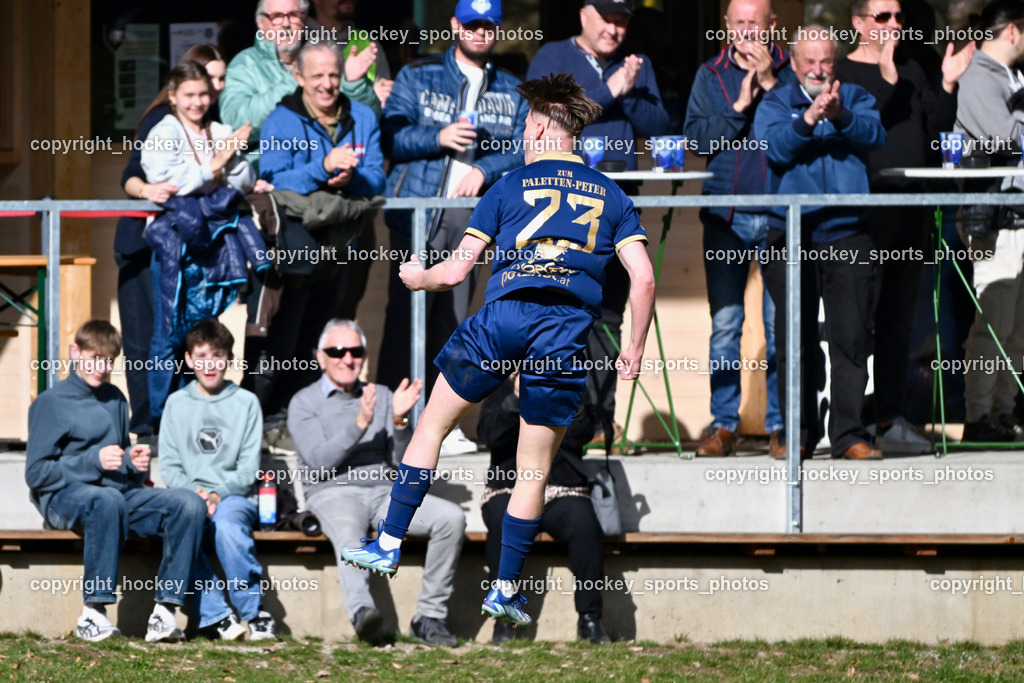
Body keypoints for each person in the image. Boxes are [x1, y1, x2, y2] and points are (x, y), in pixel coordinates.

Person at [340, 73, 656, 629]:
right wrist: (632, 348)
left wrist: (417, 277)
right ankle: (505, 588)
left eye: (526, 126)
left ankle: (388, 543)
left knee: (431, 427)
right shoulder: (612, 194)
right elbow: (645, 280)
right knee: (533, 469)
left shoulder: (507, 186)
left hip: (503, 318)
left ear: (537, 128)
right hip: (563, 330)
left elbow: (457, 270)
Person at [376, 0, 528, 455]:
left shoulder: (513, 88)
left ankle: (443, 426)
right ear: (456, 25)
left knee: (457, 322)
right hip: (415, 215)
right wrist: (438, 137)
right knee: (404, 320)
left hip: (473, 221)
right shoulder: (418, 75)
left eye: (491, 25)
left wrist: (485, 169)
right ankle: (391, 421)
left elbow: (525, 149)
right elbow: (393, 138)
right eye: (474, 24)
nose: (482, 32)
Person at [527, 0, 669, 442]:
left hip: (619, 207)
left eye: (623, 20)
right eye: (608, 18)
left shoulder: (635, 65)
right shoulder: (553, 57)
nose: (615, 28)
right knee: (561, 313)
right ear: (583, 13)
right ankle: (562, 418)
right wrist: (611, 89)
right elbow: (551, 120)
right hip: (563, 211)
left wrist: (627, 87)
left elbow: (660, 121)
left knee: (609, 313)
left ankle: (601, 421)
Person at [836, 0, 973, 454]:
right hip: (863, 215)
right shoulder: (843, 74)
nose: (894, 25)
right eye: (883, 17)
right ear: (859, 23)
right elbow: (855, 130)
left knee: (898, 321)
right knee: (857, 325)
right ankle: (849, 430)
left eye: (898, 17)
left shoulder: (912, 69)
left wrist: (948, 82)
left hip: (909, 212)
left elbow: (935, 129)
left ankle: (890, 419)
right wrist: (888, 80)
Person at [25, 320, 207, 643]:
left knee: (188, 503)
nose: (102, 368)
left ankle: (165, 613)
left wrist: (133, 463)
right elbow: (36, 474)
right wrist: (92, 461)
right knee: (105, 500)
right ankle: (93, 613)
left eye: (109, 361)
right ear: (75, 352)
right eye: (94, 358)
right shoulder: (50, 403)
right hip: (64, 498)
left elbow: (120, 458)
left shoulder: (116, 399)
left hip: (117, 493)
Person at [287, 319, 465, 646]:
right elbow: (318, 462)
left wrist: (398, 421)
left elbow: (402, 462)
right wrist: (359, 424)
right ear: (320, 357)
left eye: (355, 351)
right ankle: (363, 613)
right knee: (348, 531)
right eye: (337, 351)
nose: (347, 358)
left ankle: (429, 617)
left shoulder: (381, 396)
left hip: (386, 492)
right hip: (332, 492)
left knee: (451, 519)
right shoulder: (303, 402)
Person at [755, 27, 887, 460]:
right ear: (792, 63)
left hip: (850, 230)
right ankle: (798, 434)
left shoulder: (855, 96)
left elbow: (876, 136)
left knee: (852, 337)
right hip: (791, 231)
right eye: (808, 61)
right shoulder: (775, 101)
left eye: (826, 61)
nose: (817, 69)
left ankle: (850, 435)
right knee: (795, 338)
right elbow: (773, 150)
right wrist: (809, 118)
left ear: (837, 62)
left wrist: (841, 116)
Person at [247, 41, 385, 426]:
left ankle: (304, 421)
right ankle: (261, 421)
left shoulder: (362, 116)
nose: (327, 84)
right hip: (293, 248)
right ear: (298, 77)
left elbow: (379, 178)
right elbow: (271, 179)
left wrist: (352, 175)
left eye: (334, 75)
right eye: (318, 76)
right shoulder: (281, 120)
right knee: (281, 338)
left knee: (321, 339)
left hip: (342, 247)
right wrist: (322, 167)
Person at [683, 0, 792, 458]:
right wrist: (740, 106)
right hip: (725, 217)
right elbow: (695, 139)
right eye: (740, 22)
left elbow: (803, 128)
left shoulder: (792, 69)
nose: (748, 30)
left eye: (757, 22)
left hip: (780, 216)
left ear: (772, 25)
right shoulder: (711, 73)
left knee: (779, 325)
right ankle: (723, 424)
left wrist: (769, 83)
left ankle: (782, 426)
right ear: (726, 25)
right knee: (726, 324)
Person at [141, 61, 270, 433]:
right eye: (189, 95)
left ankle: (195, 413)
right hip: (174, 246)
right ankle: (159, 421)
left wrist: (220, 164)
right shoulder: (164, 131)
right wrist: (217, 163)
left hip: (214, 247)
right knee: (168, 335)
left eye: (203, 94)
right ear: (173, 97)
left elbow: (245, 176)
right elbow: (166, 180)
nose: (197, 102)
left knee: (203, 332)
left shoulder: (219, 129)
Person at [116, 44, 227, 441]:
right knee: (151, 340)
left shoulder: (212, 124)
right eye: (208, 77)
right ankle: (150, 429)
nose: (214, 88)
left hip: (190, 247)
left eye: (218, 80)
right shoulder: (163, 120)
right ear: (178, 87)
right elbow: (132, 173)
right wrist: (147, 187)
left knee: (187, 335)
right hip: (144, 246)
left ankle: (181, 423)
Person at [158, 319, 277, 641]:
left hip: (233, 497)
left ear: (229, 359)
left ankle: (254, 613)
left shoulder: (246, 403)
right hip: (188, 497)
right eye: (202, 356)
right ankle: (218, 616)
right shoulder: (176, 403)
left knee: (228, 528)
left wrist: (216, 495)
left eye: (218, 356)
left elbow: (247, 469)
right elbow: (168, 466)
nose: (209, 365)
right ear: (188, 359)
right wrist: (195, 495)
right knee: (183, 527)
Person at [478, 376, 610, 645]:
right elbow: (488, 435)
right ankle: (504, 619)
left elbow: (581, 434)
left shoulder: (568, 376)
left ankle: (590, 619)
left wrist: (560, 396)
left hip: (561, 487)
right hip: (510, 487)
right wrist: (515, 400)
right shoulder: (501, 381)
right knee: (504, 521)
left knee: (584, 524)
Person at [953, 0, 1024, 442]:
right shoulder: (979, 76)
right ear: (1013, 32)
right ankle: (978, 417)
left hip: (1018, 214)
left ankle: (1004, 410)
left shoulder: (1013, 79)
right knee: (993, 323)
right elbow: (1006, 139)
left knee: (1017, 327)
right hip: (994, 220)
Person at [219, 0, 306, 166]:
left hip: (321, 170)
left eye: (294, 15)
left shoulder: (321, 58)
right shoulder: (244, 64)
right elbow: (235, 123)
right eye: (277, 16)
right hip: (263, 173)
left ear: (304, 20)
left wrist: (355, 87)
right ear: (260, 23)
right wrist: (290, 82)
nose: (286, 24)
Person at [307, 0, 394, 113]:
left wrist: (379, 100)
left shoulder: (369, 44)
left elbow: (382, 113)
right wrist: (369, 96)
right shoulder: (295, 42)